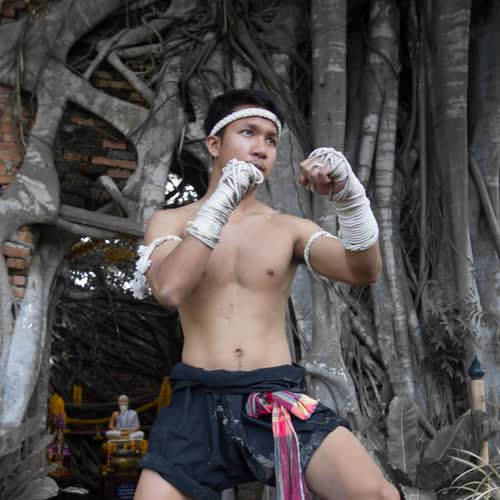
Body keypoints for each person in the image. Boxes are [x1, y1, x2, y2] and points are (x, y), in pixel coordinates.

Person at [132, 89, 399, 500]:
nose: (261, 148)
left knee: (376, 494)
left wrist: (349, 197)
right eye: (248, 133)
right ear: (214, 144)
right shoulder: (170, 221)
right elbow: (169, 289)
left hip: (275, 398)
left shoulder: (287, 228)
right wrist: (221, 203)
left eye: (271, 140)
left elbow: (363, 270)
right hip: (196, 405)